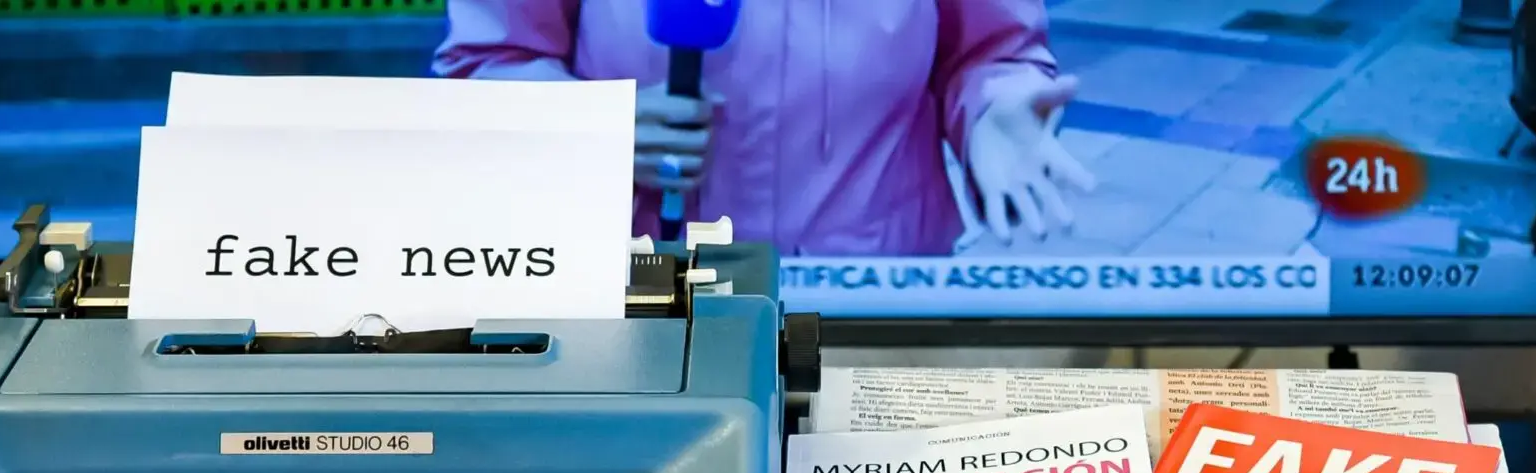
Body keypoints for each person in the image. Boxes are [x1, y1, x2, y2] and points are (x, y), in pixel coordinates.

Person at [432, 0, 1096, 257]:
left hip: (871, 294)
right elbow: (486, 63)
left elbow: (989, 51)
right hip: (635, 293)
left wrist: (992, 110)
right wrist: (590, 128)